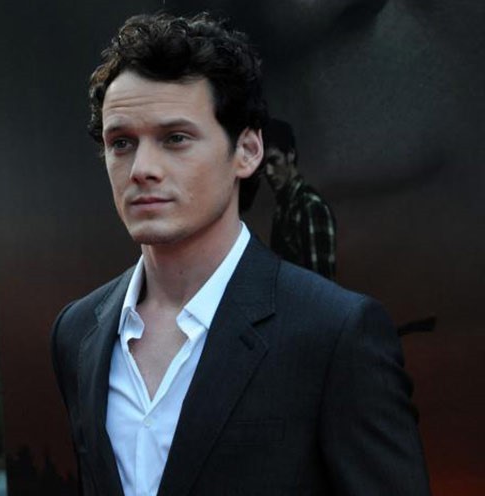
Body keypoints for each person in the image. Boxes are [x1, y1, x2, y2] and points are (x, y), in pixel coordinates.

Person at [51, 12, 430, 496]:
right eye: (121, 142)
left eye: (175, 138)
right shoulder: (78, 332)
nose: (142, 168)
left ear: (248, 151)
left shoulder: (335, 334)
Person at [264, 118, 336, 280]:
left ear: (290, 155)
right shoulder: (283, 210)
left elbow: (321, 285)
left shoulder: (311, 207)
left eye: (274, 161)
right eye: (264, 165)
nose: (268, 172)